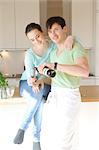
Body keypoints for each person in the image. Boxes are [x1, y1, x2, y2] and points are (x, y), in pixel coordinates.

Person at [13, 22, 74, 150]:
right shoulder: (29, 54)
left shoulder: (53, 47)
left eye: (38, 36)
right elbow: (30, 75)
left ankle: (25, 130)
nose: (36, 41)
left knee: (38, 97)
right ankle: (34, 138)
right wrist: (34, 82)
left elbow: (56, 66)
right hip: (26, 84)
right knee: (38, 98)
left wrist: (70, 38)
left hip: (43, 84)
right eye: (32, 40)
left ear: (42, 32)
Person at [38, 16, 89, 150]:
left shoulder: (75, 47)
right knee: (49, 135)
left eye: (56, 30)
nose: (53, 34)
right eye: (50, 31)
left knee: (65, 139)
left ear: (65, 29)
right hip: (55, 95)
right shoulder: (54, 50)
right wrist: (42, 74)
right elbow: (56, 73)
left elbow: (84, 71)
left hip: (69, 96)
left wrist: (55, 65)